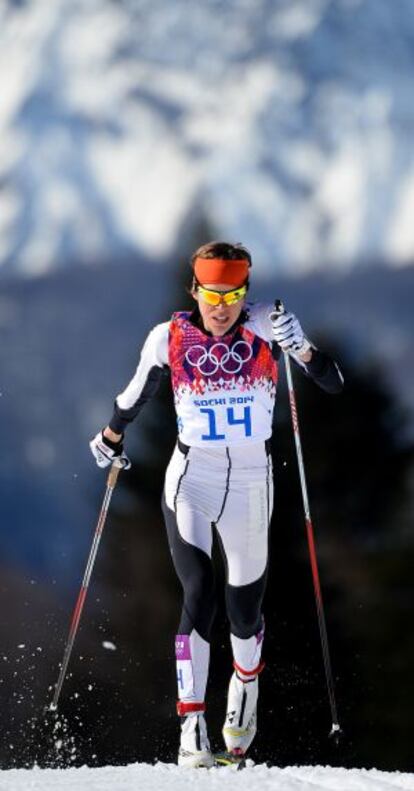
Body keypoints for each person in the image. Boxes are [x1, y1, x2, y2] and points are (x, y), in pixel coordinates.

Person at [90, 241, 344, 768]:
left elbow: (332, 382)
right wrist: (111, 437)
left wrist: (301, 349)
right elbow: (133, 396)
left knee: (244, 614)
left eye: (232, 294)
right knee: (199, 591)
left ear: (244, 292)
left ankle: (245, 689)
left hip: (252, 484)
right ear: (194, 290)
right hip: (193, 480)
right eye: (211, 293)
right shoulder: (169, 338)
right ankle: (191, 725)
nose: (222, 306)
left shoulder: (268, 326)